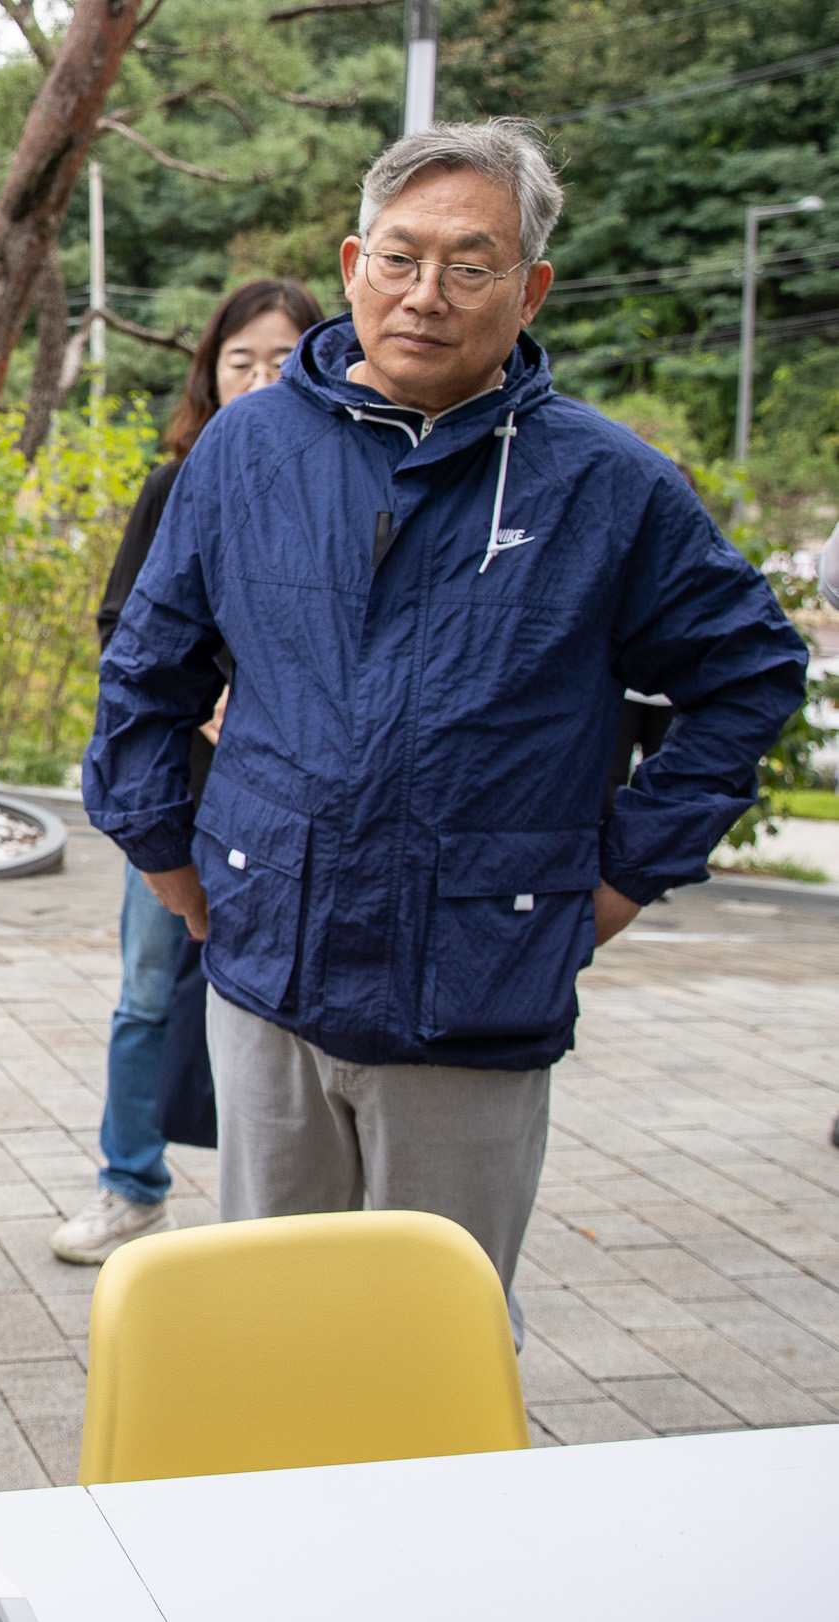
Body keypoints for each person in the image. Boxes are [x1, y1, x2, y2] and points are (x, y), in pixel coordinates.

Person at [83, 120, 808, 1339]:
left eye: (469, 266)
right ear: (356, 259)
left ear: (529, 291)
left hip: (475, 977)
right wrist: (166, 857)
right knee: (267, 1326)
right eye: (401, 259)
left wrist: (627, 873)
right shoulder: (247, 450)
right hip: (269, 969)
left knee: (437, 1336)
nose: (425, 295)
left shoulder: (603, 482)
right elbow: (145, 664)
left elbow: (748, 672)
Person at [51, 277, 324, 1265]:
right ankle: (130, 1185)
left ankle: (268, 1211)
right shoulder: (179, 484)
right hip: (182, 793)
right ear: (208, 373)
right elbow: (120, 627)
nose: (259, 377)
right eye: (239, 359)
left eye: (283, 357)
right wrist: (206, 705)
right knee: (148, 993)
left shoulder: (342, 485)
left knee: (280, 1011)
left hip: (294, 808)